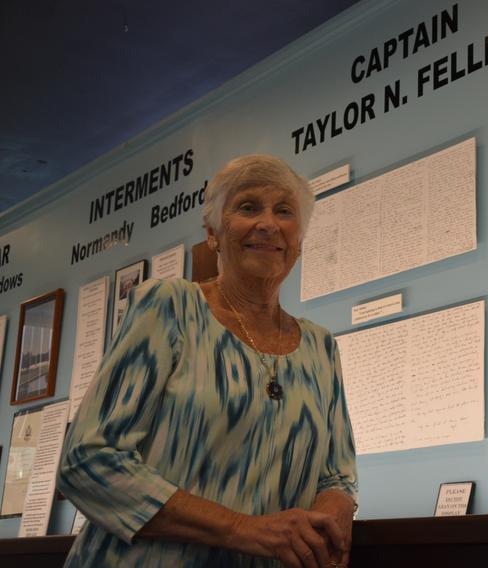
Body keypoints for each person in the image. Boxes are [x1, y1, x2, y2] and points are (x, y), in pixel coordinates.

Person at [58, 155, 358, 567]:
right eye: (248, 207)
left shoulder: (321, 348)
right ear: (213, 234)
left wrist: (330, 520)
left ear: (300, 240)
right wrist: (243, 529)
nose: (268, 223)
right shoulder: (170, 307)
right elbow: (88, 459)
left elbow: (337, 475)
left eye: (284, 211)